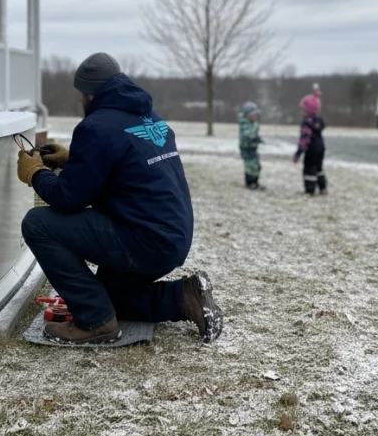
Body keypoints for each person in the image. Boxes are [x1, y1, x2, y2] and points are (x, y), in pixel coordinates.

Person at [16, 52, 223, 345]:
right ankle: (185, 297)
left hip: (144, 238)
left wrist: (36, 173)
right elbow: (124, 167)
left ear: (87, 93)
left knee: (38, 223)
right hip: (171, 236)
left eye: (80, 95)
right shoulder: (149, 116)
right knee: (107, 297)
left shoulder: (96, 126)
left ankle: (95, 324)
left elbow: (68, 199)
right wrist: (71, 160)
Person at [293, 84, 327, 196]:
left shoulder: (307, 122)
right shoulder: (319, 121)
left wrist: (298, 153)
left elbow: (304, 139)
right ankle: (322, 187)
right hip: (321, 147)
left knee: (309, 168)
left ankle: (310, 189)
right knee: (319, 167)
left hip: (311, 148)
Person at [238, 101, 264, 189]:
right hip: (246, 148)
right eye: (253, 115)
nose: (255, 117)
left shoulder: (254, 123)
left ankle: (255, 182)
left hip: (253, 148)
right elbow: (247, 134)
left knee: (256, 165)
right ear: (248, 115)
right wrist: (253, 137)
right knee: (250, 166)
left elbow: (254, 133)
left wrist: (258, 138)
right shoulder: (244, 123)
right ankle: (250, 183)